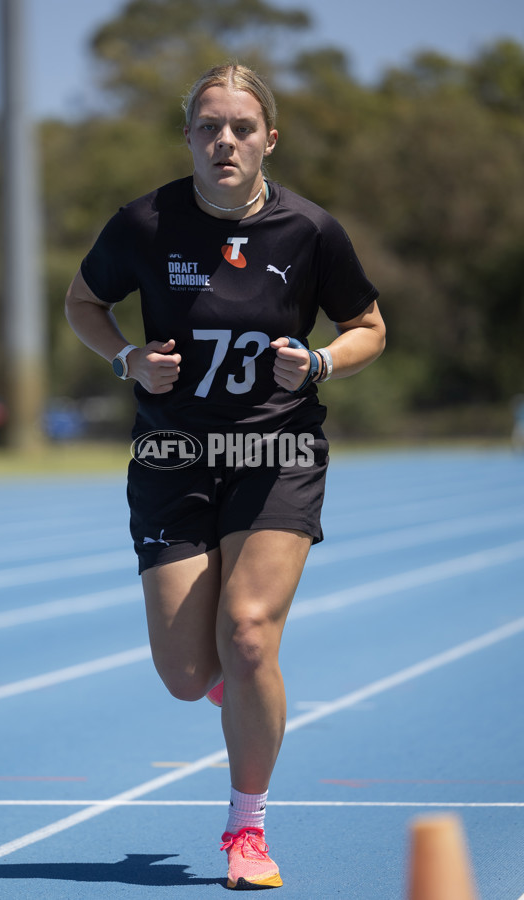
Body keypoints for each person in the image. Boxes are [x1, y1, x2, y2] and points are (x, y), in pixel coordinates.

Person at [65, 62, 385, 890]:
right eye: (210, 127)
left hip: (276, 452)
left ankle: (247, 829)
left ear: (268, 138)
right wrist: (128, 358)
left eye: (242, 127)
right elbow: (82, 303)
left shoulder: (310, 231)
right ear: (189, 139)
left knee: (247, 636)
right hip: (173, 455)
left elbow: (369, 327)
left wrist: (316, 361)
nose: (225, 141)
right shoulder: (144, 222)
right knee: (187, 675)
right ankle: (233, 691)